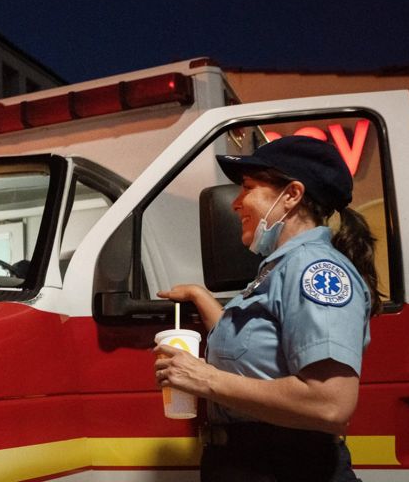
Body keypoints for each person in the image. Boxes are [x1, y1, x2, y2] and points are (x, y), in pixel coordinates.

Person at [153, 135, 381, 482]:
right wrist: (202, 297)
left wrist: (205, 378)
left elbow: (330, 403)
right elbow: (255, 352)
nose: (236, 203)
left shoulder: (315, 270)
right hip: (253, 464)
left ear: (291, 195)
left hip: (287, 467)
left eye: (247, 188)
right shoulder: (280, 268)